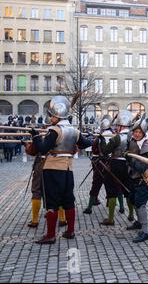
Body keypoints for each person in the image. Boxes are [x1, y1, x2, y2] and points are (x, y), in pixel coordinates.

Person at [31, 96, 92, 244]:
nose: (50, 118)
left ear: (56, 116)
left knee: (51, 201)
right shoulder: (75, 131)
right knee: (68, 200)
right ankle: (70, 231)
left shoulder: (55, 130)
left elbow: (43, 149)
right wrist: (90, 138)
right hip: (68, 169)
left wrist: (36, 136)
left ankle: (51, 235)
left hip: (52, 169)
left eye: (51, 116)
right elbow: (85, 144)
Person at [25, 116, 68, 228]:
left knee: (37, 191)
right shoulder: (63, 133)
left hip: (43, 164)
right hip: (55, 164)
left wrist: (32, 141)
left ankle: (35, 220)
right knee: (56, 192)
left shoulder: (51, 133)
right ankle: (62, 218)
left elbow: (35, 150)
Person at [98, 110, 134, 225]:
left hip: (115, 165)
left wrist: (102, 141)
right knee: (128, 191)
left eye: (118, 125)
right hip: (128, 166)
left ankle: (111, 219)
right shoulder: (132, 137)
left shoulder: (116, 138)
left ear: (121, 126)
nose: (117, 127)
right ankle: (131, 214)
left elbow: (104, 151)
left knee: (112, 191)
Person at [124, 114, 148, 242]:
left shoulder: (147, 145)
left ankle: (145, 231)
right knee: (133, 199)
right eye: (135, 131)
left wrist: (130, 159)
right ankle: (138, 222)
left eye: (139, 132)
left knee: (140, 203)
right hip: (134, 175)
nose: (136, 134)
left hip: (146, 176)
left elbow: (142, 167)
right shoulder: (132, 141)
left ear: (143, 133)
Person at [83, 115, 114, 215]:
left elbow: (95, 149)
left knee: (96, 184)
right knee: (111, 185)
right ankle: (113, 205)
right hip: (111, 162)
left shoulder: (100, 137)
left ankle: (89, 207)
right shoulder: (114, 135)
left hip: (101, 163)